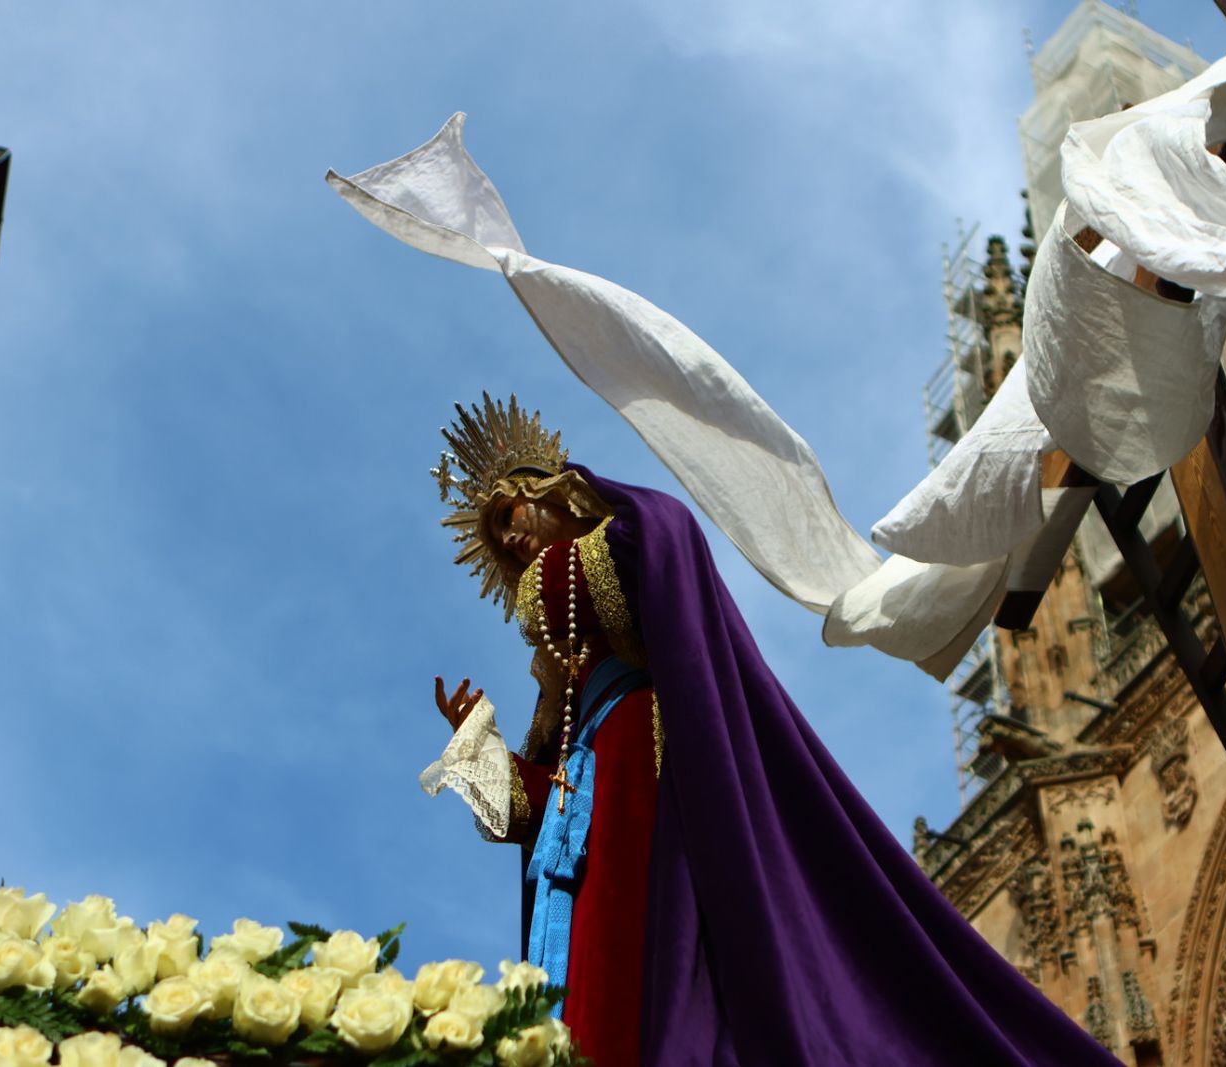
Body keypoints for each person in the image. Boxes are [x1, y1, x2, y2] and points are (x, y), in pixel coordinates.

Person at [427, 394, 1120, 1067]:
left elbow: (660, 541)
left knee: (642, 953)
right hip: (594, 826)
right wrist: (478, 746)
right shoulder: (562, 684)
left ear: (549, 491)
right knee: (592, 969)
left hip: (645, 774)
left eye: (509, 515)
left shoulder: (627, 538)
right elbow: (541, 811)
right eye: (497, 539)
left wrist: (563, 563)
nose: (508, 540)